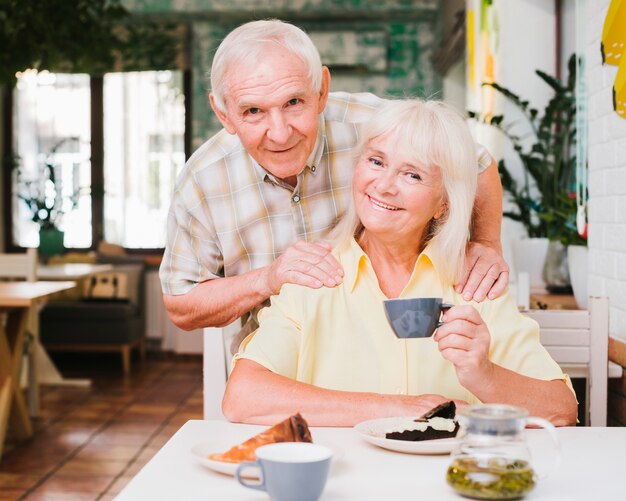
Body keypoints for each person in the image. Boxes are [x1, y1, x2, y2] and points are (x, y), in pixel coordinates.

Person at [222, 99, 577, 427]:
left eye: (413, 175)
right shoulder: (314, 275)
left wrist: (483, 374)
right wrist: (396, 407)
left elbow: (561, 409)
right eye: (376, 162)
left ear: (444, 204)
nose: (385, 186)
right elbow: (242, 398)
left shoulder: (473, 282)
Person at [160, 19, 509, 350]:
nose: (280, 133)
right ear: (224, 115)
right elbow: (181, 304)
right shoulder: (202, 181)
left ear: (322, 90)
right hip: (280, 361)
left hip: (395, 346)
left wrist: (486, 242)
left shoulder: (371, 125)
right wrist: (268, 279)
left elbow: (476, 163)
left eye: (294, 102)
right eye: (254, 111)